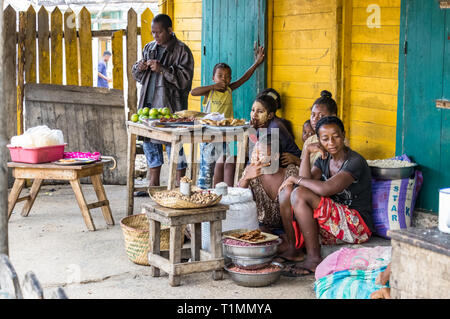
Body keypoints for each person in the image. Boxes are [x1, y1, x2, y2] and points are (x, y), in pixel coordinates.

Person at [277, 116, 374, 276]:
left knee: (299, 193)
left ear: (343, 135)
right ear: (319, 141)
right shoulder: (325, 159)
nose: (331, 142)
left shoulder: (355, 161)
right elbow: (304, 182)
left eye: (336, 136)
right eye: (325, 139)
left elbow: (325, 189)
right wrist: (306, 152)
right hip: (333, 222)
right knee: (288, 192)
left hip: (356, 226)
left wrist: (294, 178)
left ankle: (314, 259)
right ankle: (294, 249)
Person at [131, 14, 194, 192]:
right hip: (149, 105)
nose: (155, 37)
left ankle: (180, 186)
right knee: (150, 145)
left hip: (170, 107)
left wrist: (163, 70)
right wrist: (140, 67)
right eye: (153, 33)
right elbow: (137, 76)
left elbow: (184, 81)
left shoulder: (182, 51)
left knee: (175, 147)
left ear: (169, 30)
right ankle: (154, 186)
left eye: (159, 32)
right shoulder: (149, 48)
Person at [191, 47, 265, 188]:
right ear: (214, 78)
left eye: (227, 76)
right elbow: (193, 92)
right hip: (209, 136)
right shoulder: (210, 92)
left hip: (225, 136)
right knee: (207, 168)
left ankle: (219, 191)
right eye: (220, 76)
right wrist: (212, 86)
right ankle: (203, 191)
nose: (223, 79)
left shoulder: (230, 89)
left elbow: (244, 78)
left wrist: (256, 63)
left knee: (223, 162)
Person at [237, 135, 298, 235]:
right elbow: (238, 198)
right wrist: (246, 178)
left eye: (261, 154)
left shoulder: (289, 171)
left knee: (281, 244)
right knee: (261, 238)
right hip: (262, 226)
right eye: (254, 153)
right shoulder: (251, 172)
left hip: (288, 227)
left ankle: (288, 244)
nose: (256, 158)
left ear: (275, 156)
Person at [249, 94, 301, 167]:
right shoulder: (259, 125)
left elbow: (259, 149)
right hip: (271, 160)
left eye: (260, 111)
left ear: (270, 115)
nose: (254, 115)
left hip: (288, 162)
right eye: (253, 110)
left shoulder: (275, 127)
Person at [302, 90, 338, 167]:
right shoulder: (309, 141)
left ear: (333, 117)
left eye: (321, 116)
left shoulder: (339, 142)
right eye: (313, 115)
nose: (315, 119)